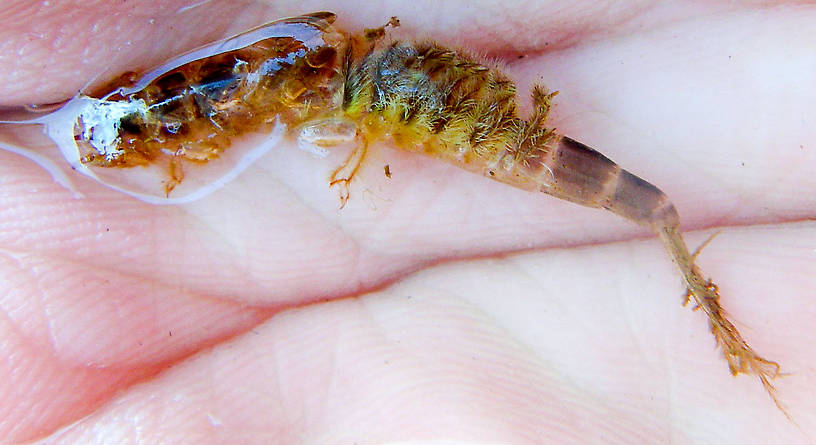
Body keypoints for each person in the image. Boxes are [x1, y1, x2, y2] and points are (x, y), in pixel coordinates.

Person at [0, 0, 812, 442]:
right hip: (377, 85)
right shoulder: (276, 75)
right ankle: (693, 278)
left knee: (642, 202)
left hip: (391, 93)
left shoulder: (269, 91)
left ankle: (693, 278)